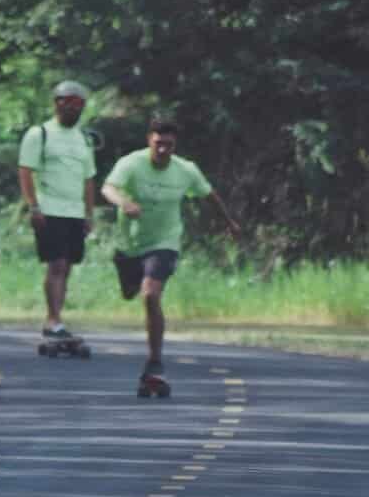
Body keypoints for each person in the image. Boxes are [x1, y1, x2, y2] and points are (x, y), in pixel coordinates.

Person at [101, 115, 240, 389]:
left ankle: (155, 361)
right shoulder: (131, 163)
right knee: (130, 291)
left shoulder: (185, 170)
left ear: (175, 145)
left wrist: (229, 223)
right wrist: (124, 202)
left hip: (165, 242)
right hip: (130, 245)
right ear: (148, 141)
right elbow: (108, 188)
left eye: (169, 145)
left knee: (151, 294)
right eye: (158, 144)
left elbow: (208, 194)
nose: (163, 150)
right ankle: (127, 275)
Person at [17, 79, 98, 343]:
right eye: (70, 102)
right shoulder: (39, 133)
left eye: (79, 104)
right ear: (57, 103)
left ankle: (57, 318)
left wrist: (89, 213)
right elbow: (26, 171)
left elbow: (88, 179)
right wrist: (33, 206)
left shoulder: (84, 138)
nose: (75, 109)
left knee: (68, 266)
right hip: (49, 209)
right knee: (57, 264)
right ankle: (53, 319)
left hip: (75, 212)